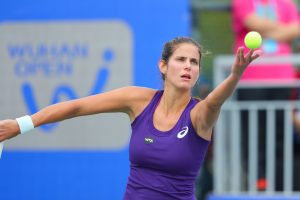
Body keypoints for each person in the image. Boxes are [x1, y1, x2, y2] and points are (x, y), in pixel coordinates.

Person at [0, 37, 260, 200]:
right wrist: (21, 124)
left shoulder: (200, 114)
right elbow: (77, 106)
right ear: (163, 66)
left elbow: (215, 101)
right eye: (181, 59)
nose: (188, 66)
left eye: (194, 62)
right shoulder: (137, 99)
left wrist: (235, 75)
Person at [232, 0, 300, 191]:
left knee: (281, 135)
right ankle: (259, 183)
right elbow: (253, 22)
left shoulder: (287, 3)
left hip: (283, 79)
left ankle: (280, 184)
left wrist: (268, 29)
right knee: (253, 135)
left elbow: (295, 30)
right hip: (250, 79)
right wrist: (281, 29)